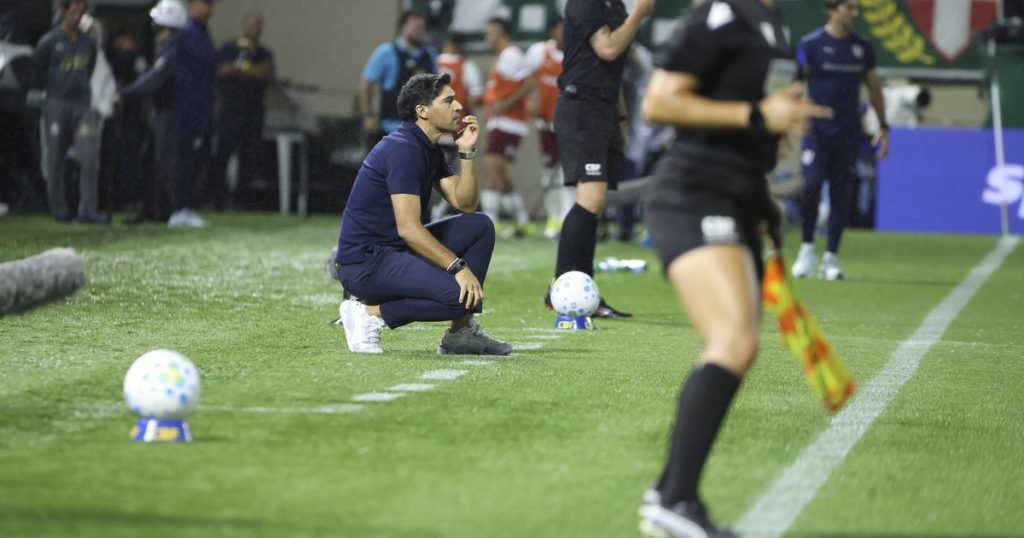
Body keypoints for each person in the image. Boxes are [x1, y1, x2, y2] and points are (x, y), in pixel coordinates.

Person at [638, 0, 832, 535]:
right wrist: (755, 115)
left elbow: (759, 114)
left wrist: (761, 197)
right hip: (693, 191)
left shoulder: (771, 23)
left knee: (735, 345)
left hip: (737, 194)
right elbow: (660, 102)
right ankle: (674, 501)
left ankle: (669, 493)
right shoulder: (717, 15)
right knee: (733, 342)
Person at [333, 73, 511, 356]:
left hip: (394, 252)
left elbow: (464, 204)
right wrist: (458, 267)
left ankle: (460, 332)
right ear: (422, 111)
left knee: (479, 226)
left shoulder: (426, 147)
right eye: (449, 100)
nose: (459, 106)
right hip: (367, 263)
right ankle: (368, 313)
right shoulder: (403, 149)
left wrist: (466, 153)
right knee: (458, 298)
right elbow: (409, 228)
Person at [546, 0, 655, 318]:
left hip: (604, 109)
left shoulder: (615, 5)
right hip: (582, 106)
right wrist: (639, 14)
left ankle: (581, 289)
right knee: (590, 199)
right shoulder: (585, 2)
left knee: (597, 203)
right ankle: (561, 288)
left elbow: (614, 67)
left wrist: (620, 118)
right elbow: (607, 48)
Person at [790, 0, 888, 280]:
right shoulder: (811, 44)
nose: (854, 14)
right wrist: (794, 118)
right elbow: (796, 85)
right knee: (810, 186)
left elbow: (873, 87)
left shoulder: (862, 48)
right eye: (849, 8)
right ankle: (807, 249)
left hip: (848, 134)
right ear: (832, 10)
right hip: (816, 133)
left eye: (857, 9)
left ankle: (831, 257)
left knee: (841, 194)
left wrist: (883, 126)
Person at [32, 0, 108, 224]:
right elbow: (37, 68)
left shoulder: (87, 42)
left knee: (89, 155)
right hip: (56, 104)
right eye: (74, 11)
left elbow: (90, 67)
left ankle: (88, 210)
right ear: (63, 12)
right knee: (55, 158)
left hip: (81, 105)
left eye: (81, 11)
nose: (78, 16)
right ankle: (59, 209)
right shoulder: (49, 41)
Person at [116, 0, 187, 223]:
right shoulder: (167, 46)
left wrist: (124, 92)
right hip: (162, 111)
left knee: (161, 163)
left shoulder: (172, 48)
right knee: (150, 159)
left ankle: (162, 211)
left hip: (168, 113)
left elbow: (154, 80)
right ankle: (151, 209)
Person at [206, 12, 274, 210]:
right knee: (222, 154)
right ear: (244, 26)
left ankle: (241, 200)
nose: (255, 28)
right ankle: (213, 198)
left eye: (259, 25)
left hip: (253, 113)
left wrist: (242, 68)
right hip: (230, 111)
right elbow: (221, 70)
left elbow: (265, 73)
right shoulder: (230, 47)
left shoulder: (264, 52)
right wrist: (247, 67)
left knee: (249, 157)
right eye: (252, 24)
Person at [480, 17, 534, 237]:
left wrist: (505, 104)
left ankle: (491, 222)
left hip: (509, 122)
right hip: (502, 122)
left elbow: (529, 82)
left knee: (491, 166)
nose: (487, 38)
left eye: (490, 33)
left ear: (501, 33)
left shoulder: (511, 55)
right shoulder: (503, 56)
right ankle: (522, 219)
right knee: (499, 172)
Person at [168, 0, 217, 228]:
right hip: (189, 107)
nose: (210, 8)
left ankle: (186, 207)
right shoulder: (188, 32)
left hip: (200, 107)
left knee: (194, 159)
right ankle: (180, 209)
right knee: (185, 159)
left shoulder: (202, 31)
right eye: (206, 3)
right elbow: (207, 62)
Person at [523, 16, 572, 240]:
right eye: (560, 28)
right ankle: (553, 216)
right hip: (545, 122)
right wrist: (531, 101)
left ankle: (565, 218)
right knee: (549, 170)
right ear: (552, 30)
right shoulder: (538, 52)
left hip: (568, 122)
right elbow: (527, 80)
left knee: (567, 171)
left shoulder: (576, 54)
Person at [360, 10, 435, 150]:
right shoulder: (386, 52)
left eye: (422, 29)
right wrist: (368, 115)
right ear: (402, 27)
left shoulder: (429, 55)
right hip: (391, 127)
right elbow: (366, 84)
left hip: (420, 130)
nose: (420, 32)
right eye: (416, 28)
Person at [430, 33, 484, 221]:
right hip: (456, 128)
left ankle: (431, 208)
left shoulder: (432, 61)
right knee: (450, 172)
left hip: (431, 126)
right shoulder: (467, 66)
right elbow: (477, 98)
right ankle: (441, 209)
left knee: (428, 169)